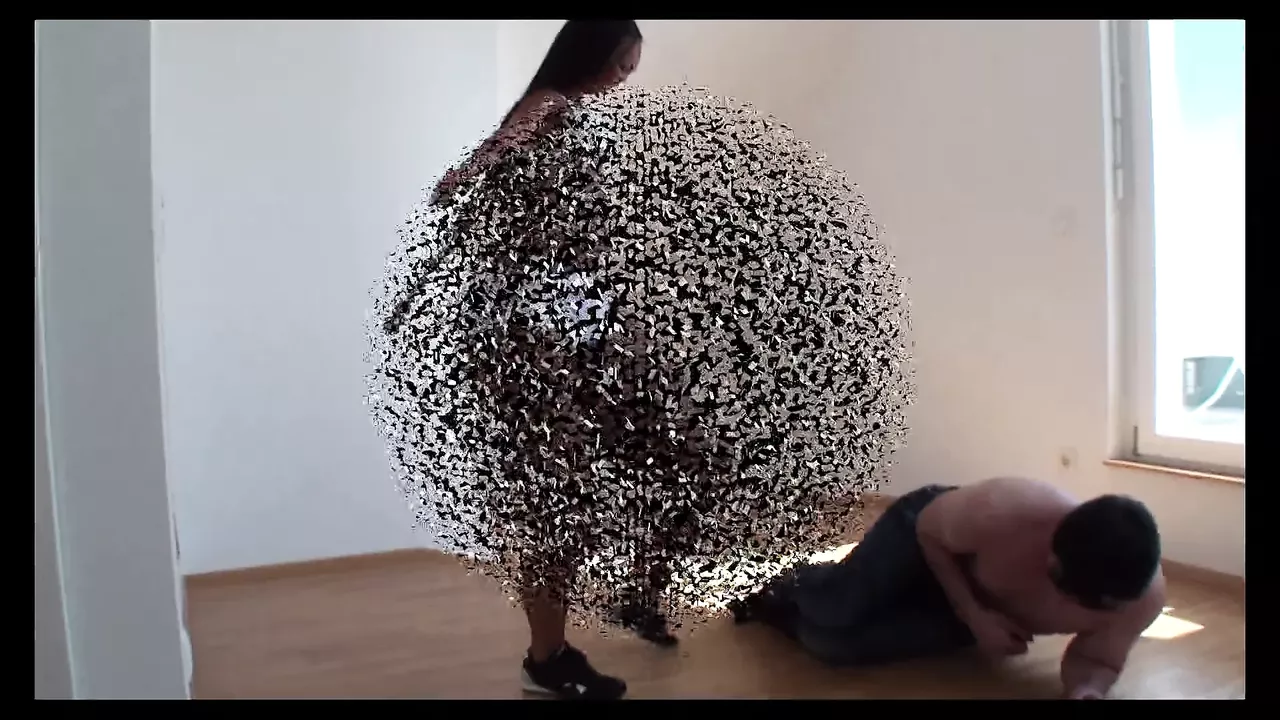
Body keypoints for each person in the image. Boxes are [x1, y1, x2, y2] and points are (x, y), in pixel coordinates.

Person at [430, 20, 645, 701]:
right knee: (554, 504)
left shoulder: (569, 115)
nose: (624, 76)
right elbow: (478, 167)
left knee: (583, 490)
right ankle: (547, 658)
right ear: (594, 52)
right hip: (538, 343)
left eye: (631, 67)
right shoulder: (550, 106)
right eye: (621, 62)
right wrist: (471, 175)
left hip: (571, 332)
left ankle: (569, 640)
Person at [731, 477, 1166, 700]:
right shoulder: (1004, 510)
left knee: (832, 645)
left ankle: (774, 608)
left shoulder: (1136, 600)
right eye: (1063, 585)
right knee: (838, 608)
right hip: (927, 537)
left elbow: (1097, 660)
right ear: (1054, 542)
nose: (1067, 603)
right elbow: (929, 532)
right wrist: (974, 614)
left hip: (972, 610)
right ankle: (792, 579)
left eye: (1089, 604)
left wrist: (1087, 690)